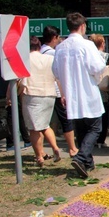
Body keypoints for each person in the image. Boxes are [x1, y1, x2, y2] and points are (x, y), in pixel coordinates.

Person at [52, 12, 107, 179]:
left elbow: (55, 71)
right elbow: (97, 67)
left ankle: (88, 163)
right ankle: (81, 157)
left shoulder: (60, 47)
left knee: (81, 128)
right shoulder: (87, 45)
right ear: (82, 26)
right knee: (95, 127)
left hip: (71, 93)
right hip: (87, 90)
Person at [20, 36, 63, 167]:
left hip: (32, 94)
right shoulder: (50, 59)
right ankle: (55, 147)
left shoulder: (25, 60)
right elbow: (58, 78)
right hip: (49, 94)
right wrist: (62, 94)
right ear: (39, 47)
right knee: (45, 125)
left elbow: (20, 80)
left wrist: (13, 96)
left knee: (34, 128)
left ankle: (39, 156)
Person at [42, 25, 78, 158]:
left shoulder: (40, 52)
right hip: (56, 91)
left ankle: (41, 152)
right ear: (54, 37)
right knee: (66, 120)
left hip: (43, 91)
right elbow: (58, 76)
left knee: (42, 123)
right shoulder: (53, 54)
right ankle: (72, 148)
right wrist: (64, 93)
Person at [88, 33, 109, 148]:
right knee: (105, 114)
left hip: (91, 88)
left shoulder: (88, 56)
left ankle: (92, 138)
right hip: (104, 88)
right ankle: (101, 139)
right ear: (102, 43)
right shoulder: (106, 56)